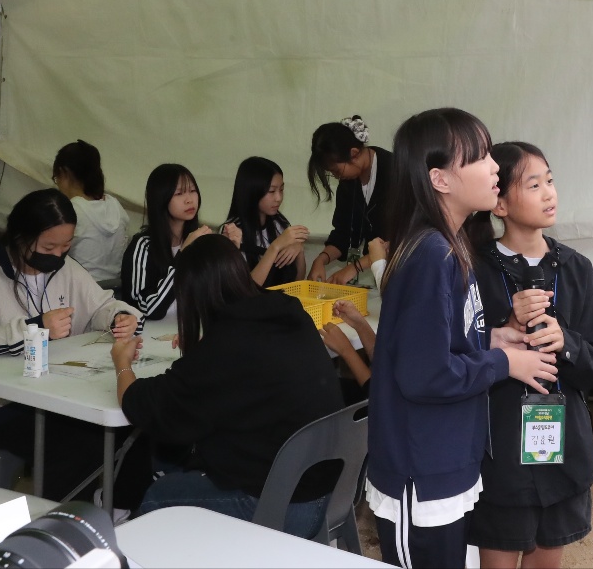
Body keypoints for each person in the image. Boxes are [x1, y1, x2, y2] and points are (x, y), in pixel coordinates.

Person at [366, 108, 557, 569]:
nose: (495, 167)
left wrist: (494, 338)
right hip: (421, 470)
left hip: (447, 457)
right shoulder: (430, 254)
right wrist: (506, 364)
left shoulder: (451, 245)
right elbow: (425, 375)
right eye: (480, 157)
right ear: (441, 179)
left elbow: (444, 337)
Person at [112, 235, 344, 534]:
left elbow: (142, 403)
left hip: (281, 508)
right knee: (178, 459)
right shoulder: (286, 310)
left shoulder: (224, 347)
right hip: (327, 491)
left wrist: (122, 363)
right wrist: (205, 345)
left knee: (157, 499)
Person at [464, 141, 593, 569]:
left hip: (563, 453)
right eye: (534, 184)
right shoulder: (473, 270)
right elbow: (455, 360)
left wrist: (566, 341)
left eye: (550, 180)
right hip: (499, 458)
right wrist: (506, 326)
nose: (550, 193)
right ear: (499, 203)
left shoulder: (576, 268)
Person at [0, 188, 138, 495]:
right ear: (20, 236)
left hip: (53, 395)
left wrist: (120, 317)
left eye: (66, 246)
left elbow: (101, 304)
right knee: (79, 440)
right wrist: (34, 327)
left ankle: (120, 509)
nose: (58, 255)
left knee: (130, 424)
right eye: (49, 246)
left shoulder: (65, 267)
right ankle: (60, 522)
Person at [305, 116, 393, 285]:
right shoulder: (348, 183)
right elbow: (343, 234)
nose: (337, 177)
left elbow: (404, 239)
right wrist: (321, 260)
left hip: (407, 272)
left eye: (337, 171)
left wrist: (355, 267)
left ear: (354, 153)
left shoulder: (396, 172)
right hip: (379, 273)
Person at [121, 164, 212, 326]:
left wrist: (231, 253)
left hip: (193, 330)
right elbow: (147, 309)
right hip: (150, 337)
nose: (189, 199)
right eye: (179, 193)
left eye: (193, 191)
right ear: (160, 198)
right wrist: (182, 256)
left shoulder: (200, 240)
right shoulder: (143, 246)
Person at [222, 157, 308, 289]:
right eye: (271, 191)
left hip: (282, 304)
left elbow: (297, 283)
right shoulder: (231, 231)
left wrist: (299, 251)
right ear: (252, 191)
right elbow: (247, 290)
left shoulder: (280, 225)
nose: (278, 198)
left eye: (281, 190)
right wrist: (275, 247)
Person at [52, 140, 130, 283]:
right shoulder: (115, 205)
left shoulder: (71, 211)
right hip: (117, 291)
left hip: (80, 291)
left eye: (56, 178)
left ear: (64, 173)